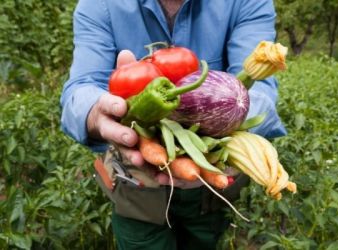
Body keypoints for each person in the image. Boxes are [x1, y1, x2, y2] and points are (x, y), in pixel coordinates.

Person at [60, 0, 287, 249]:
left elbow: (260, 93)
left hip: (212, 185)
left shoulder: (246, 3)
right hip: (134, 186)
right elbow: (81, 89)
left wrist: (205, 145)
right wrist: (97, 114)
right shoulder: (100, 4)